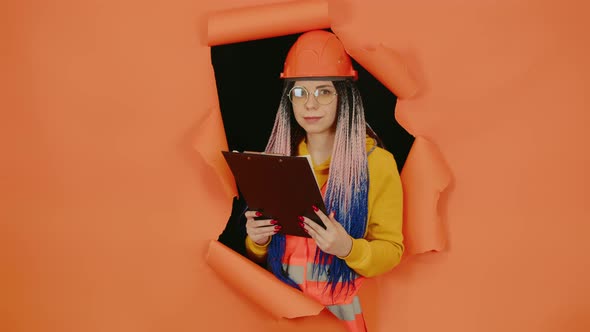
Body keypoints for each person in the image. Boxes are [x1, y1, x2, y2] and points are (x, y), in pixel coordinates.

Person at [243, 30, 404, 332]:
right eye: (300, 92)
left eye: (324, 91)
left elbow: (391, 249)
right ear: (288, 100)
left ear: (344, 97)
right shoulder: (276, 163)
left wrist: (347, 248)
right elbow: (262, 255)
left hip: (340, 314)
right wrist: (258, 240)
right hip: (285, 310)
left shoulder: (377, 164)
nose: (310, 104)